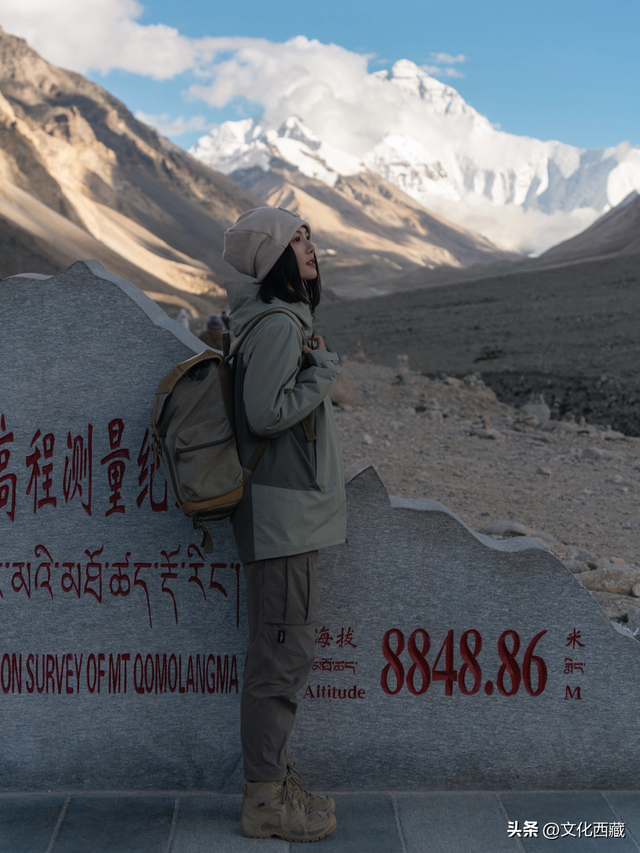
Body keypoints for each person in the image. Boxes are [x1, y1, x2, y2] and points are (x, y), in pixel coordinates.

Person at [222, 207, 346, 842]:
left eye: (309, 236)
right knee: (281, 654)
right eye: (295, 240)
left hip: (290, 515)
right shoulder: (276, 326)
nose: (310, 247)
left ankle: (276, 781)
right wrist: (322, 372)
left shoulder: (286, 322)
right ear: (272, 258)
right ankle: (265, 800)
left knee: (285, 649)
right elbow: (266, 413)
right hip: (282, 518)